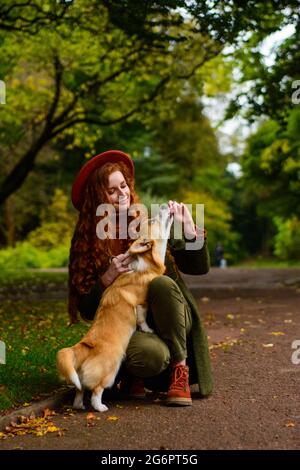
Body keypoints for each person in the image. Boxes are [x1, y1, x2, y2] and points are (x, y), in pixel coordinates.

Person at [68, 150, 213, 406]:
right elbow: (86, 309)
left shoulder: (149, 222)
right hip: (128, 325)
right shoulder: (88, 241)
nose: (121, 193)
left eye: (123, 185)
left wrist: (190, 229)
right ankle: (133, 374)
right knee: (150, 356)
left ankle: (180, 370)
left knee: (161, 282)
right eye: (111, 190)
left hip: (172, 316)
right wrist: (107, 277)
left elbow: (198, 267)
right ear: (96, 197)